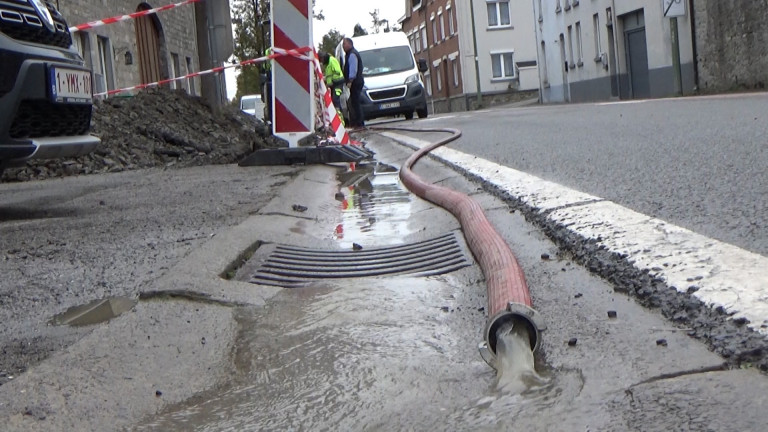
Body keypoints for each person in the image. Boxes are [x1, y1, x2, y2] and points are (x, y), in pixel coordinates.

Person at [342, 37, 365, 129]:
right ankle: (357, 121)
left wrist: (350, 81)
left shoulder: (352, 54)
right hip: (356, 81)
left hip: (355, 82)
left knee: (355, 102)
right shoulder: (350, 53)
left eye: (344, 44)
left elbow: (353, 69)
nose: (343, 46)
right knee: (354, 101)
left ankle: (359, 122)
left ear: (349, 44)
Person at [319, 52, 345, 122]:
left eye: (321, 60)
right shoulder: (328, 63)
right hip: (334, 84)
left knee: (336, 100)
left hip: (338, 83)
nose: (321, 62)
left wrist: (331, 82)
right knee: (335, 101)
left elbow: (337, 72)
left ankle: (340, 120)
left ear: (323, 58)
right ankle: (339, 118)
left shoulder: (332, 60)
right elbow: (329, 75)